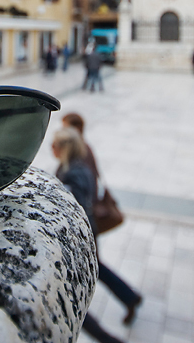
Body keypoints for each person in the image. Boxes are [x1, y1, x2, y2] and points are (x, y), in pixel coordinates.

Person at [61, 114, 142, 327]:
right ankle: (129, 297)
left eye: (65, 127)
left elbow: (88, 184)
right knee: (95, 267)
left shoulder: (80, 153)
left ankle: (129, 298)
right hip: (87, 221)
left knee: (95, 268)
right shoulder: (80, 150)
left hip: (86, 222)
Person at [51, 128, 126, 343]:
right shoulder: (74, 167)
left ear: (63, 148)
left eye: (54, 145)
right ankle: (130, 298)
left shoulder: (73, 173)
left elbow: (78, 206)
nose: (51, 149)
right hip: (86, 236)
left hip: (81, 240)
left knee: (70, 299)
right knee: (94, 274)